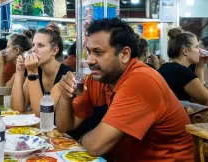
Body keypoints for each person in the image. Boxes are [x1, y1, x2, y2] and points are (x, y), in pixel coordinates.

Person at [56, 18, 193, 161]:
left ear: (125, 54)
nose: (90, 60)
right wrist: (65, 97)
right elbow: (64, 126)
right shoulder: (98, 79)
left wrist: (82, 138)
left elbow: (95, 146)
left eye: (98, 52)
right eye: (89, 52)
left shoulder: (141, 80)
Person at [11, 28, 73, 116]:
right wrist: (19, 71)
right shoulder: (36, 70)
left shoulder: (66, 74)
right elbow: (17, 108)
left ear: (54, 51)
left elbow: (42, 113)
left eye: (40, 45)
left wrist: (32, 72)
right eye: (33, 45)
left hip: (64, 129)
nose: (33, 50)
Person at [158, 28, 208, 104]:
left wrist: (200, 67)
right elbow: (205, 100)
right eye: (197, 47)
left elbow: (196, 98)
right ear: (185, 51)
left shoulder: (164, 68)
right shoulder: (183, 72)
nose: (200, 50)